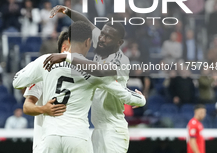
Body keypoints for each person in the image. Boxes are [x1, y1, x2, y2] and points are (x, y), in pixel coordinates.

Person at [13, 21, 146, 153]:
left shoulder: (46, 60)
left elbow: (17, 82)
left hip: (50, 135)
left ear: (69, 40)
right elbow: (125, 95)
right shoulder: (93, 70)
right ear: (88, 42)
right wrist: (139, 99)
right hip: (77, 136)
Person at [47, 6, 135, 153]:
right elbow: (87, 23)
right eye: (102, 34)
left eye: (108, 37)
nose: (101, 38)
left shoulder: (122, 61)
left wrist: (68, 57)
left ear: (119, 43)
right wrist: (67, 11)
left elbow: (100, 71)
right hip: (98, 129)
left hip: (113, 131)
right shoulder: (103, 42)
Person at [23, 31, 69, 152]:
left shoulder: (81, 75)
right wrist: (43, 109)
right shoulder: (43, 72)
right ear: (63, 49)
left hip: (70, 142)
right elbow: (27, 106)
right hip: (44, 142)